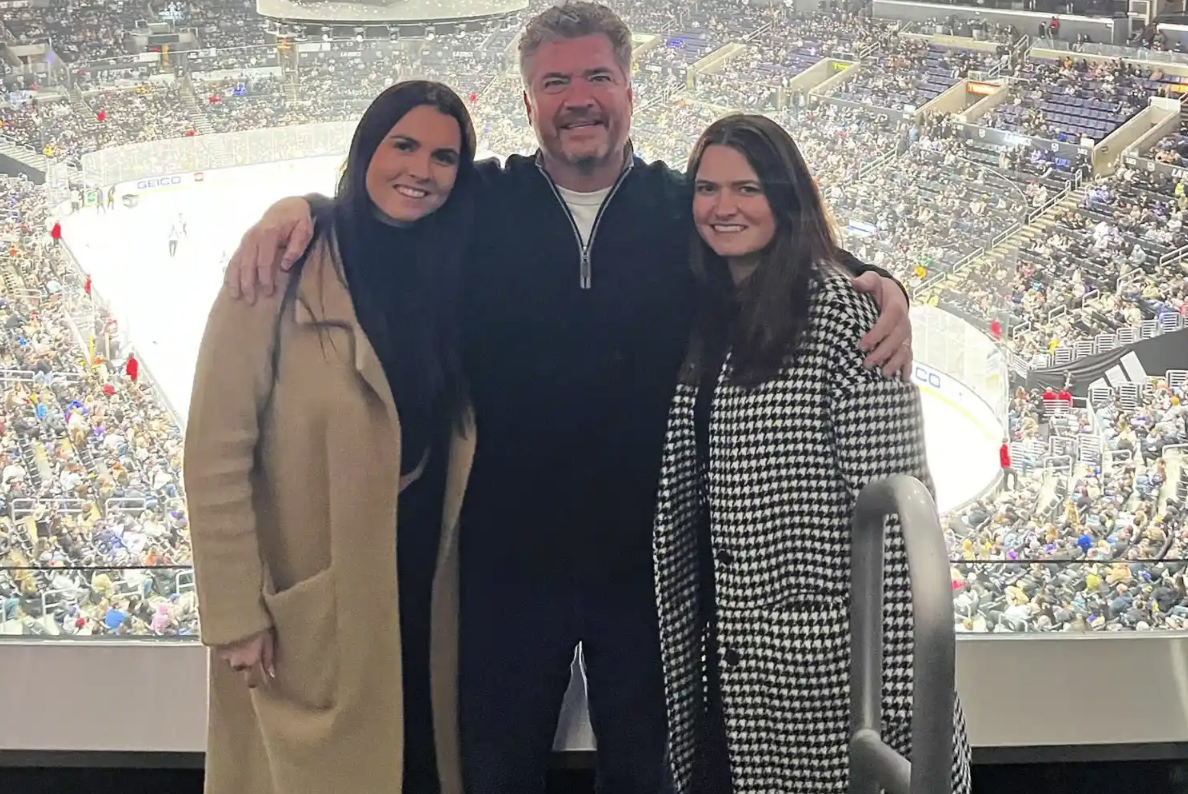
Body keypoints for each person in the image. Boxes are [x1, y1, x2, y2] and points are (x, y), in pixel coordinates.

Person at [221, 5, 915, 793]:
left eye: (596, 77)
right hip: (503, 569)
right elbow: (384, 207)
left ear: (628, 88)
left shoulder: (683, 208)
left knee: (651, 777)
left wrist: (876, 279)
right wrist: (303, 210)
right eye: (555, 82)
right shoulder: (481, 202)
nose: (577, 98)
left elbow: (776, 230)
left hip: (649, 573)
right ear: (528, 102)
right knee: (492, 772)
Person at [652, 113, 971, 793]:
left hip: (819, 678)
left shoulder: (844, 316)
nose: (722, 207)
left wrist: (904, 719)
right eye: (707, 189)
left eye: (747, 188)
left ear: (786, 199)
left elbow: (895, 531)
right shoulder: (703, 313)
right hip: (721, 668)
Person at [183, 80, 478, 794]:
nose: (421, 169)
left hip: (422, 586)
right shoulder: (279, 268)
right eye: (403, 145)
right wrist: (233, 615)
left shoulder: (452, 270)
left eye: (444, 157)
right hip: (321, 597)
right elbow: (216, 451)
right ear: (365, 147)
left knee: (417, 766)